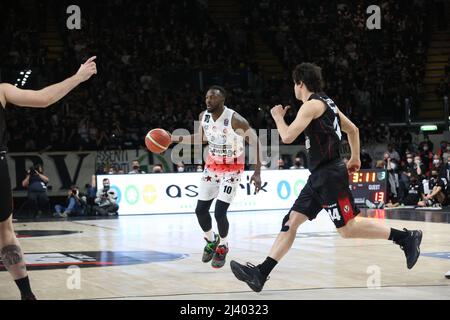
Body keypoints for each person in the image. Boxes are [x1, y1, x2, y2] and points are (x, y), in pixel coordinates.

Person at [230, 63, 423, 292]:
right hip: (320, 176)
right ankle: (260, 274)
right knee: (291, 222)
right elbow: (353, 130)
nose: (294, 87)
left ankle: (405, 237)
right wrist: (355, 158)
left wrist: (277, 117)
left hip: (330, 175)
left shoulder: (310, 106)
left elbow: (288, 136)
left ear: (300, 83)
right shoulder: (328, 103)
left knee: (347, 229)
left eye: (294, 83)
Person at [0, 56, 97, 300]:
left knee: (6, 231)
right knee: (5, 232)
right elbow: (44, 99)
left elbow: (44, 99)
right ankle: (27, 295)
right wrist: (78, 77)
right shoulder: (2, 90)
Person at [172, 86, 262, 269]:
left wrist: (257, 171)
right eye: (206, 97)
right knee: (200, 210)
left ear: (222, 101)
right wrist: (174, 138)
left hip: (233, 167)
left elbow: (257, 143)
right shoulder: (203, 116)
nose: (208, 101)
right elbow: (202, 138)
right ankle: (211, 240)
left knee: (220, 212)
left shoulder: (236, 120)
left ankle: (223, 246)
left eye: (212, 98)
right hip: (212, 165)